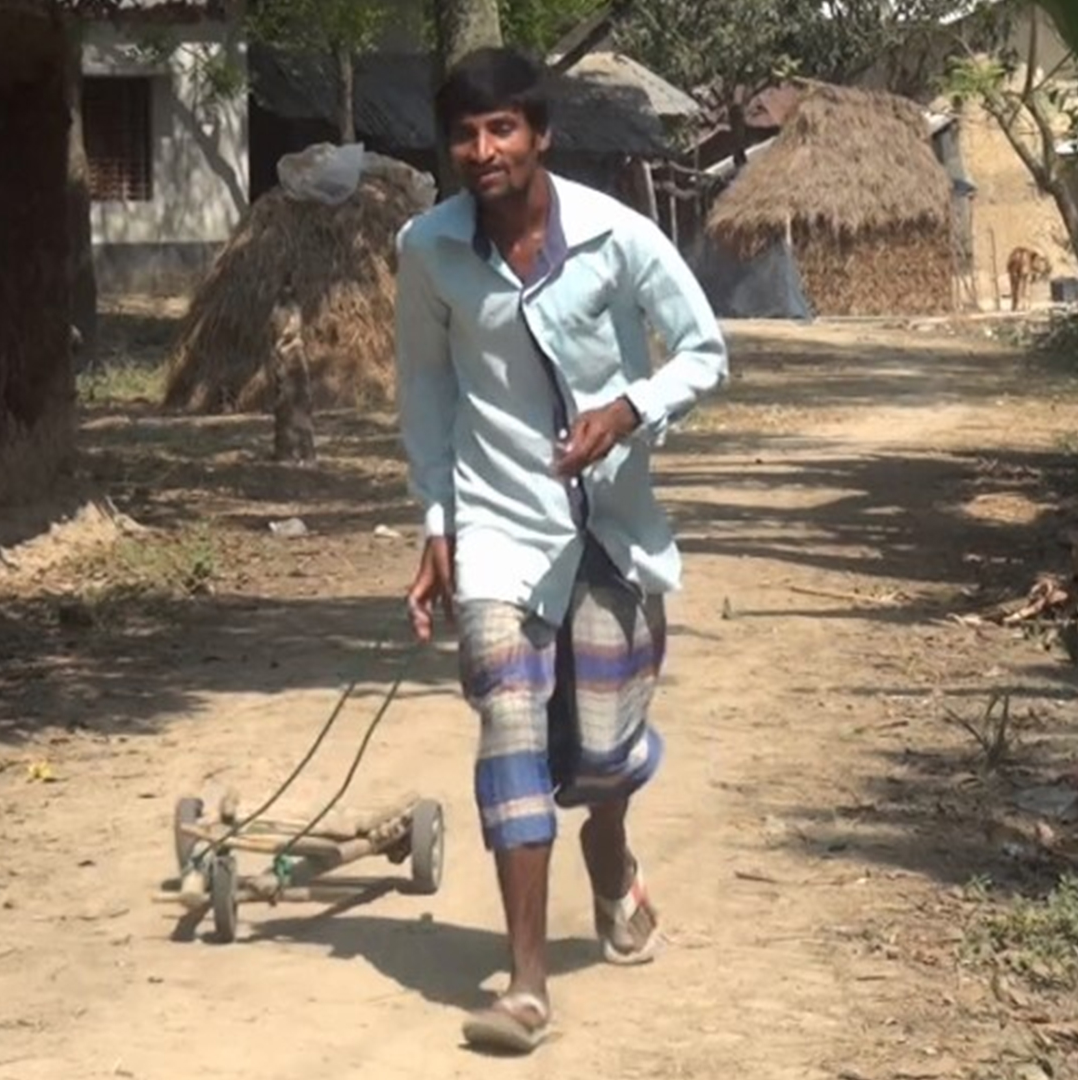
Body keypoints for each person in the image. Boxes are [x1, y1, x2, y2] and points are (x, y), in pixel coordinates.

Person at [391, 46, 728, 1054]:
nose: (482, 150)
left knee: (605, 755)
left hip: (611, 532)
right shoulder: (428, 250)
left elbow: (706, 350)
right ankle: (527, 981)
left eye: (502, 129)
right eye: (464, 133)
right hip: (498, 525)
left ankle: (612, 856)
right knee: (510, 728)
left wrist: (629, 408)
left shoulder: (621, 240)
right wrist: (439, 524)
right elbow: (427, 394)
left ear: (539, 134)